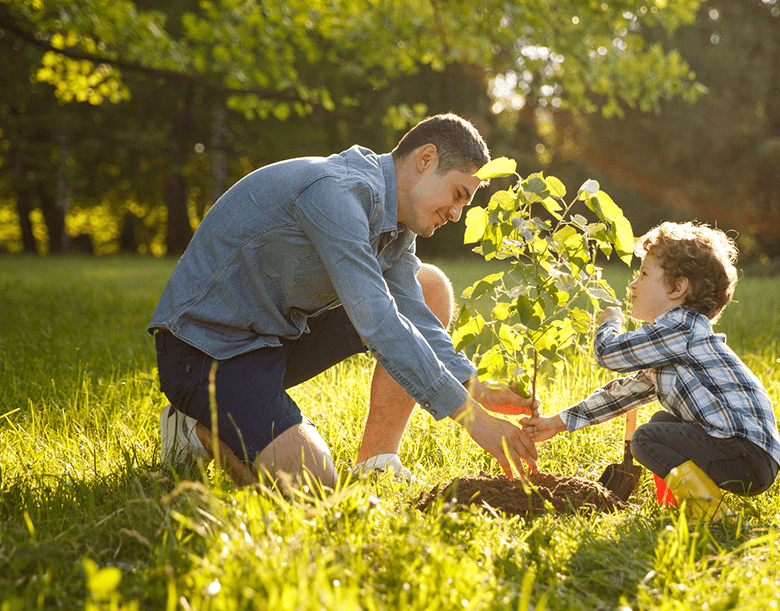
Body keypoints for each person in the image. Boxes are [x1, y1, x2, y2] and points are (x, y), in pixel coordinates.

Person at [149, 113, 539, 491]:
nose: (456, 214)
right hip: (205, 351)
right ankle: (194, 430)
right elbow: (379, 321)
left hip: (274, 339)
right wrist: (474, 420)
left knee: (429, 287)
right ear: (426, 159)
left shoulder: (397, 225)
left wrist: (474, 386)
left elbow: (414, 314)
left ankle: (376, 462)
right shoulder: (336, 192)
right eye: (458, 195)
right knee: (312, 486)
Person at [521, 222, 780, 517]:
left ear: (678, 287)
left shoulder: (680, 328)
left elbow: (609, 354)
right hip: (751, 456)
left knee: (646, 439)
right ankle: (681, 503)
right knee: (662, 422)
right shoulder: (676, 343)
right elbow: (623, 395)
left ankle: (709, 512)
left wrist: (610, 324)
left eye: (644, 274)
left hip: (742, 453)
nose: (633, 284)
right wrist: (558, 422)